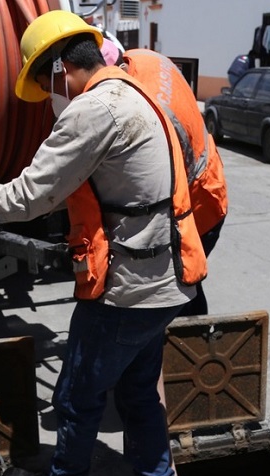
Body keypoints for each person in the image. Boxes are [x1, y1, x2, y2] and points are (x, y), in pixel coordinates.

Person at [0, 10, 207, 476]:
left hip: (127, 292)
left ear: (60, 70)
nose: (50, 99)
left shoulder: (95, 109)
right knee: (138, 394)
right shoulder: (133, 91)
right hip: (167, 282)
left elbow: (32, 194)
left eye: (44, 83)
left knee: (77, 394)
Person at [103, 42, 229, 317]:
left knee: (178, 288)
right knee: (188, 284)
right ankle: (191, 346)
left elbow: (151, 185)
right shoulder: (143, 57)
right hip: (211, 185)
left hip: (198, 208)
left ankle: (188, 351)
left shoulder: (148, 112)